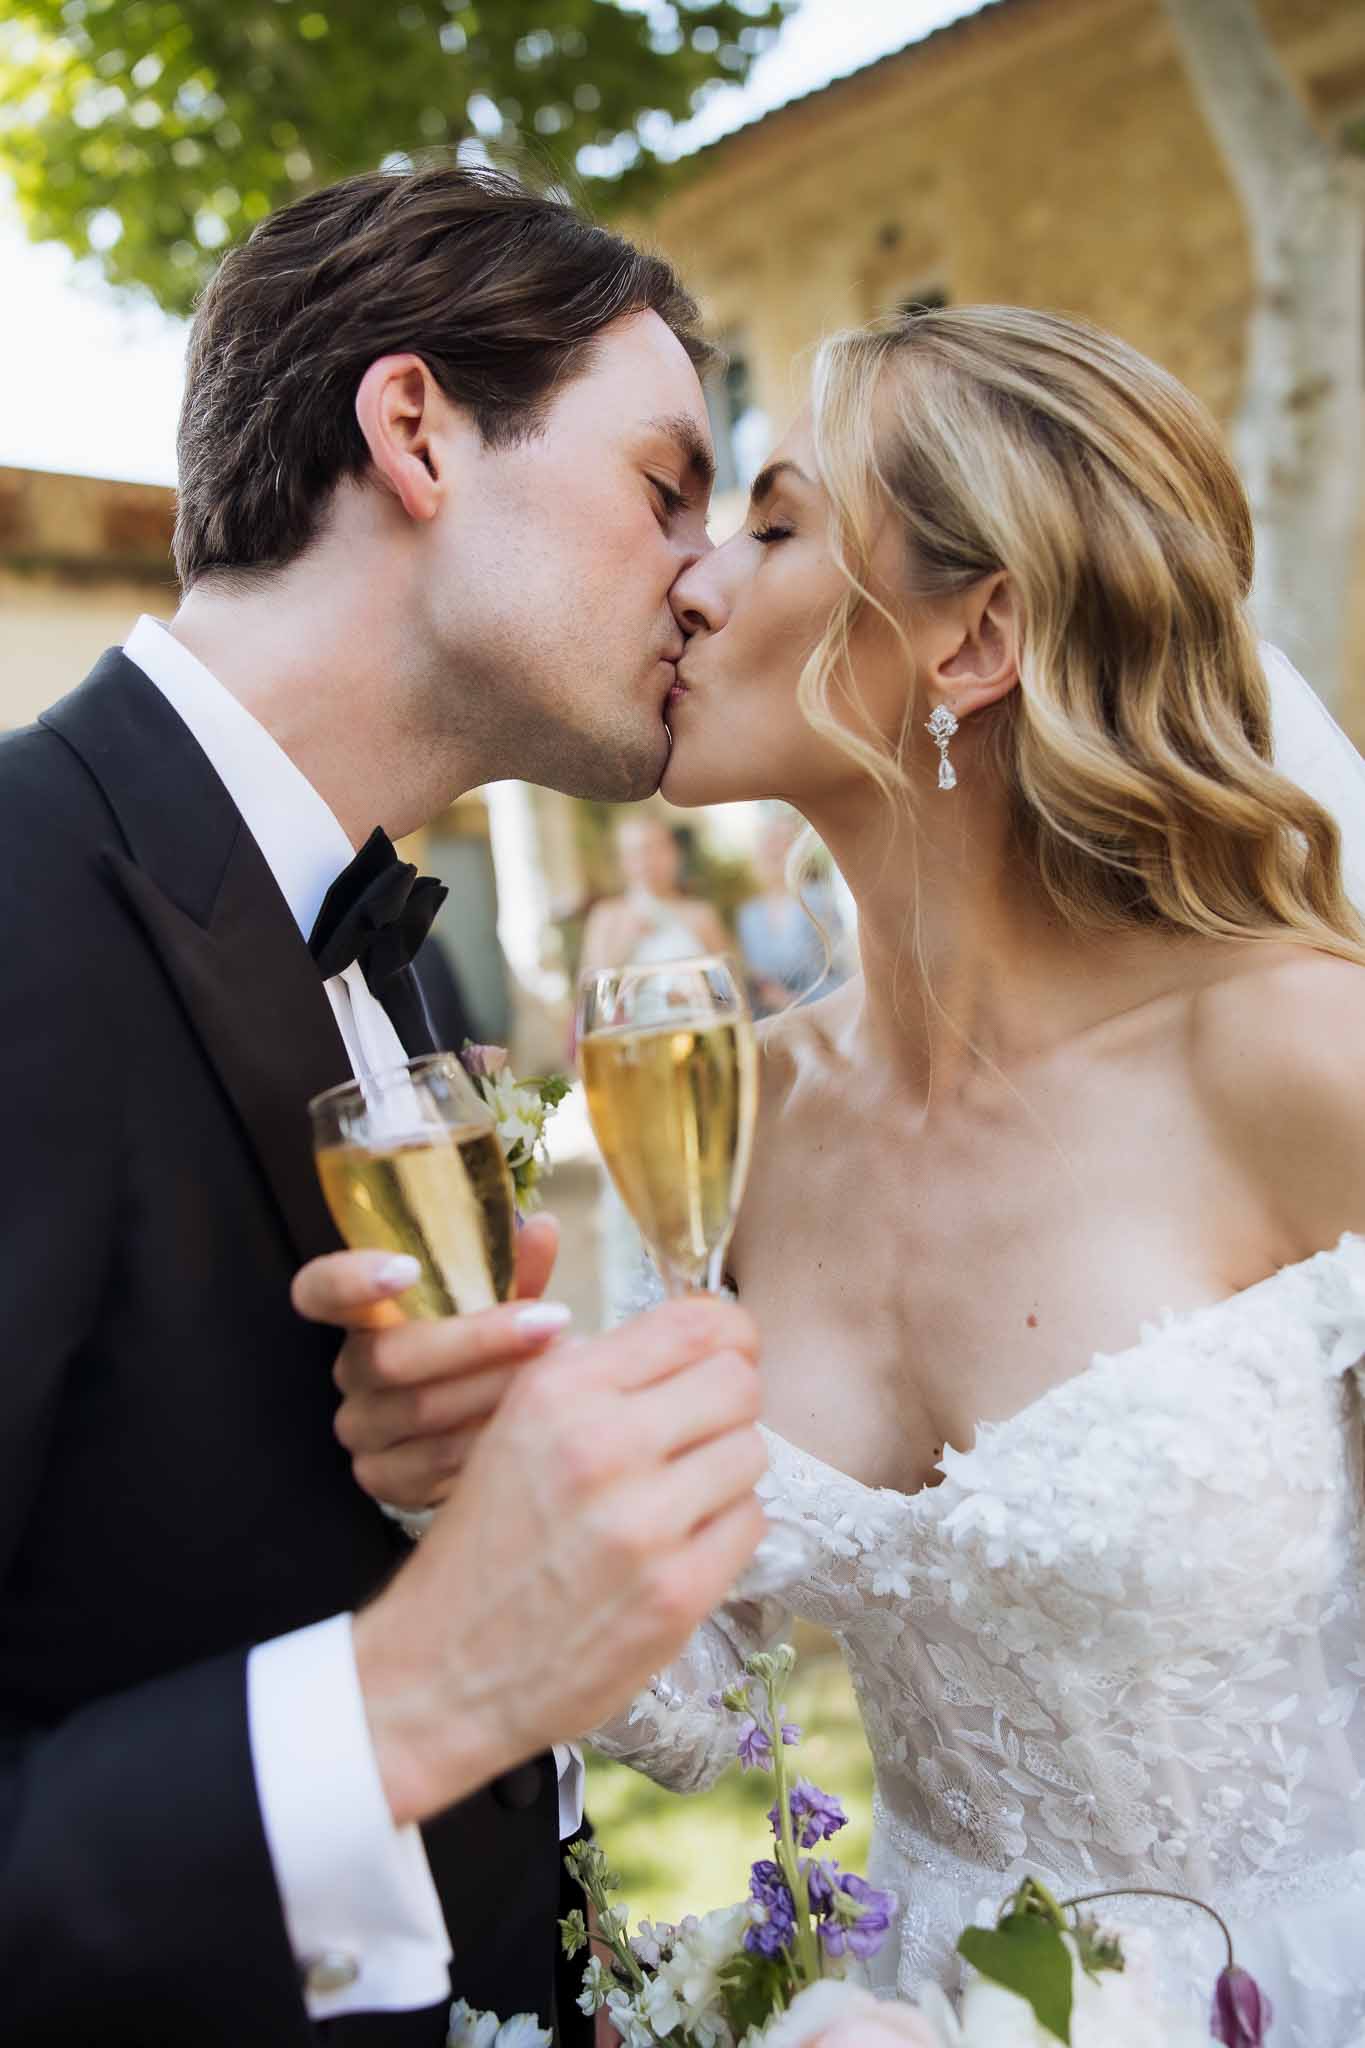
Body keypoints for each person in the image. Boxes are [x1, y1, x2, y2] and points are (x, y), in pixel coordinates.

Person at [341, 307, 1365, 2042]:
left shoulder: (1291, 1058)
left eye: (773, 525)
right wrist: (465, 1468)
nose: (693, 583)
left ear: (976, 638)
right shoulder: (728, 1116)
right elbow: (694, 1692)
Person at [0, 163, 768, 2046]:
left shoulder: (395, 962)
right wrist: (414, 1691)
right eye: (667, 486)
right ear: (416, 428)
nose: (713, 574)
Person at [579, 813, 731, 973]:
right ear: (622, 861)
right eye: (636, 852)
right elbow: (593, 987)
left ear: (675, 854)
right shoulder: (606, 916)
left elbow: (729, 982)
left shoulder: (701, 914)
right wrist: (626, 941)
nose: (648, 860)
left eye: (658, 848)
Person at [735, 810, 849, 1016]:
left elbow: (837, 972)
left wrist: (790, 1001)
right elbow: (757, 980)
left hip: (823, 1012)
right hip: (770, 1020)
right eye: (767, 840)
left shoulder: (817, 900)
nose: (772, 848)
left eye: (781, 840)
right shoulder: (749, 914)